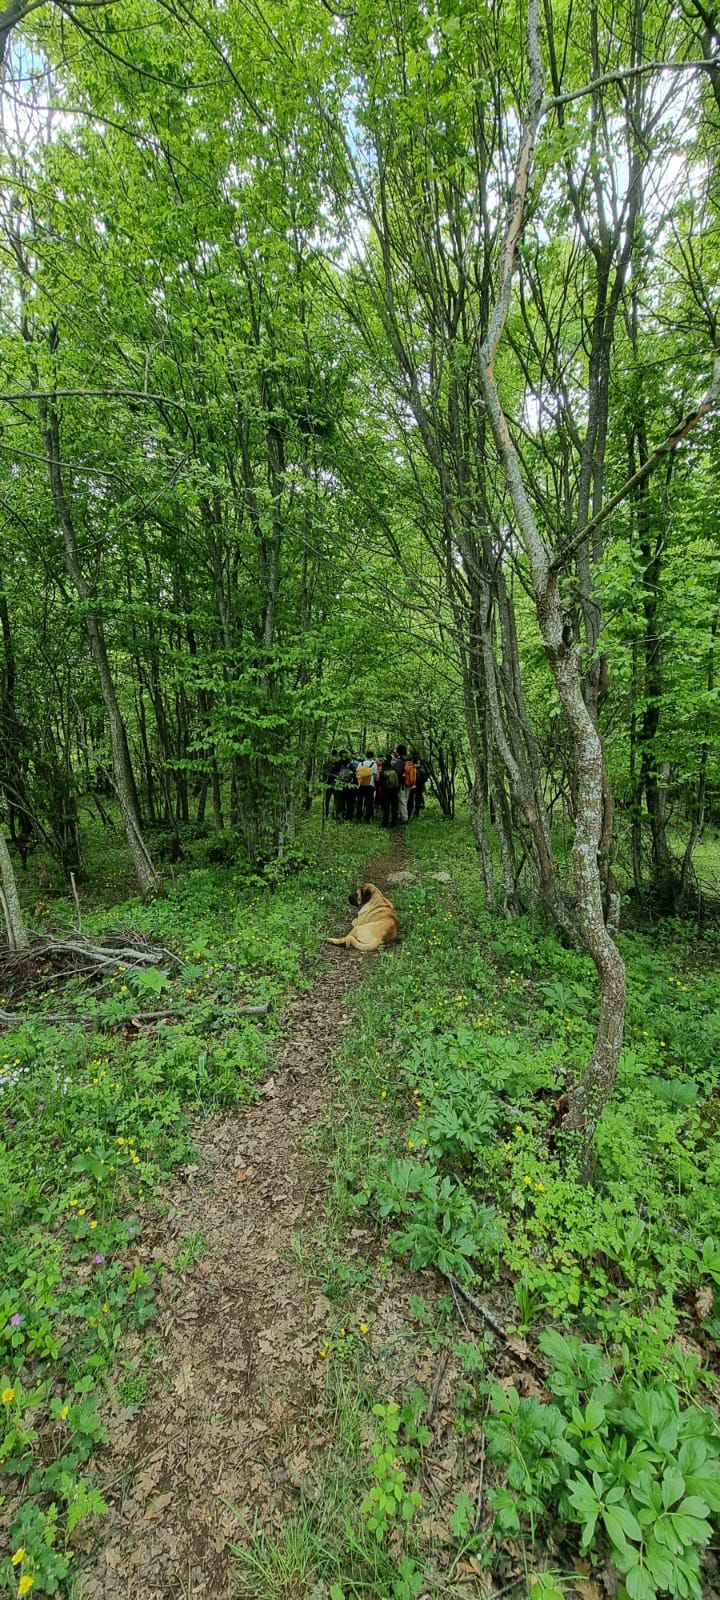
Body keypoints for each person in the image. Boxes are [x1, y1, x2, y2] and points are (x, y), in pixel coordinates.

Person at [354, 751, 377, 822]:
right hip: (370, 785)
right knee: (369, 801)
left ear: (366, 756)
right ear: (373, 756)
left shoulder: (361, 763)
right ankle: (367, 818)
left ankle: (358, 817)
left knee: (359, 801)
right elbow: (375, 775)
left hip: (360, 784)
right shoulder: (374, 764)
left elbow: (357, 773)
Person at [378, 752, 399, 828]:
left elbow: (380, 780)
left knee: (386, 806)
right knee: (394, 806)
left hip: (386, 790)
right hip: (394, 790)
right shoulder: (394, 767)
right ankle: (394, 821)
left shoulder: (383, 767)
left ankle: (385, 822)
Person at [322, 749, 341, 820]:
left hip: (328, 784)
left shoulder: (326, 763)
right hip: (336, 784)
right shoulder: (338, 763)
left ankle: (326, 815)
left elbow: (323, 773)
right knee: (337, 800)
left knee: (327, 800)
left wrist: (324, 781)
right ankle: (337, 815)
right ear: (336, 754)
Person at [411, 753, 428, 818]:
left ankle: (411, 813)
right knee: (418, 798)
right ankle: (417, 812)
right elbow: (425, 778)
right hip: (420, 785)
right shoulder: (422, 769)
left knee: (412, 799)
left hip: (413, 786)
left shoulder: (412, 769)